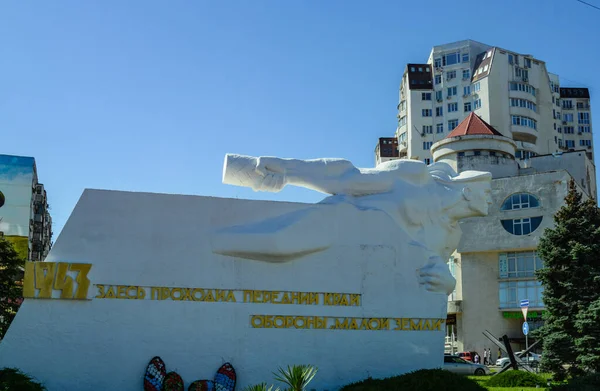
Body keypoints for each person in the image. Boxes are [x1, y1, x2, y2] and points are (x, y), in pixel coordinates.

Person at [215, 155, 492, 295]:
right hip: (342, 223)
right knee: (276, 243)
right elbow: (349, 178)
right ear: (467, 188)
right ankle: (202, 243)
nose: (491, 198)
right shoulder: (416, 177)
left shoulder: (450, 235)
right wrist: (287, 170)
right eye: (488, 191)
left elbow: (434, 270)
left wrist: (448, 283)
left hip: (361, 268)